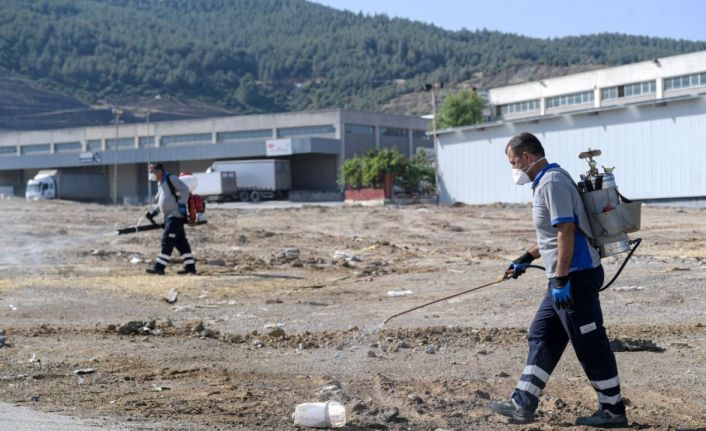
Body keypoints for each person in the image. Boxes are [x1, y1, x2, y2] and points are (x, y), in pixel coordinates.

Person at [488, 132, 627, 427]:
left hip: (574, 277)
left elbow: (566, 231)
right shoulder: (546, 182)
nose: (514, 169)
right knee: (542, 334)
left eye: (514, 162)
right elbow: (553, 235)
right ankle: (522, 402)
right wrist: (526, 257)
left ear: (527, 157)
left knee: (590, 344)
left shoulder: (552, 182)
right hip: (562, 278)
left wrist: (562, 279)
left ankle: (613, 411)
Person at [145, 163, 197, 275]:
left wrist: (182, 204)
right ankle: (190, 268)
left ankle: (159, 267)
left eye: (152, 171)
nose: (151, 174)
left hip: (175, 216)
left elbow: (185, 189)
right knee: (181, 243)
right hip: (169, 217)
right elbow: (162, 201)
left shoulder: (170, 178)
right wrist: (153, 213)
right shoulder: (160, 184)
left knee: (167, 240)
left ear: (160, 171)